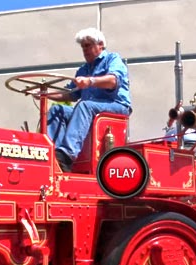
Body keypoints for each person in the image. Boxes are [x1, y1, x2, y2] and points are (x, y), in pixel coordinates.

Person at [45, 28, 132, 172]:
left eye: (88, 45)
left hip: (117, 106)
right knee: (58, 110)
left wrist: (90, 81)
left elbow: (112, 81)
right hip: (90, 109)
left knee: (84, 106)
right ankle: (53, 155)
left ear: (101, 44)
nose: (85, 50)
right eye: (83, 47)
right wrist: (45, 94)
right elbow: (70, 94)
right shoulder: (83, 70)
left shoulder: (112, 59)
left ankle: (66, 155)